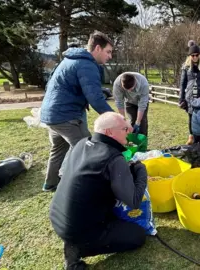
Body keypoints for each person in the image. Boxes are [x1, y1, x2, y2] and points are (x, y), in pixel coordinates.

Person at [49, 112, 147, 270]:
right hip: (80, 230)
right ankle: (78, 248)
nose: (129, 132)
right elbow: (134, 201)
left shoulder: (82, 143)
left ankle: (75, 241)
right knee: (137, 235)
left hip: (58, 217)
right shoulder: (113, 158)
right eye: (125, 129)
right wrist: (141, 170)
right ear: (109, 132)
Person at [40, 30, 115, 192]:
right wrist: (114, 119)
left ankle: (51, 182)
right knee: (88, 149)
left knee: (58, 149)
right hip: (66, 116)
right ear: (97, 49)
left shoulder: (71, 60)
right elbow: (95, 99)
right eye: (108, 52)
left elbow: (74, 86)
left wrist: (99, 91)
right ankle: (84, 187)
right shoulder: (87, 65)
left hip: (50, 115)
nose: (110, 56)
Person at [178, 40, 200, 146]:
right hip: (190, 96)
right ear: (190, 56)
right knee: (191, 117)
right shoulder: (186, 67)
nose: (194, 57)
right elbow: (182, 84)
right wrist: (181, 99)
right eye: (192, 55)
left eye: (196, 55)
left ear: (199, 55)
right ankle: (191, 136)